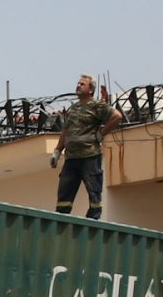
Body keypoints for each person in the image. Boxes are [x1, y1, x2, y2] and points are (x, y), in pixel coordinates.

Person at [49, 74, 123, 221]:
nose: (78, 85)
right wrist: (57, 150)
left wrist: (102, 133)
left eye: (82, 84)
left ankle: (92, 223)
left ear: (90, 90)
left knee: (94, 194)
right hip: (71, 158)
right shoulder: (72, 109)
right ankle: (60, 221)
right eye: (78, 83)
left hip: (89, 156)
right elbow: (66, 130)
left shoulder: (97, 105)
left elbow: (117, 116)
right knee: (64, 194)